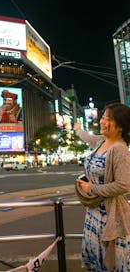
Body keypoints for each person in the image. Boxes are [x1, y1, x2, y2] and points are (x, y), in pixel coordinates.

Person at [75, 102, 130, 271]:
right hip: (94, 212)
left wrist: (91, 189)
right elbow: (87, 137)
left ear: (120, 126)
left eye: (108, 119)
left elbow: (124, 184)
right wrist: (77, 129)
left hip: (109, 216)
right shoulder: (101, 141)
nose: (102, 121)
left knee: (108, 263)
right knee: (97, 262)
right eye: (103, 117)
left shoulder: (119, 149)